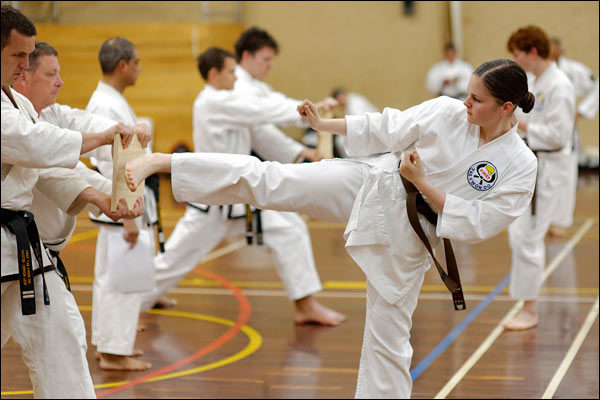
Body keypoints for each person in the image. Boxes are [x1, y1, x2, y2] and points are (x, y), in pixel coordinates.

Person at [123, 59, 538, 398]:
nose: (465, 103)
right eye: (466, 93)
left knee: (389, 335)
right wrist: (324, 127)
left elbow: (481, 223)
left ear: (506, 108)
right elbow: (384, 126)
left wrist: (424, 183)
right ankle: (165, 163)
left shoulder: (519, 164)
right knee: (272, 180)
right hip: (374, 183)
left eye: (476, 99)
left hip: (414, 235)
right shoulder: (448, 112)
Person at [1, 6, 148, 398]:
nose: (24, 64)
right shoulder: (11, 113)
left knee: (62, 336)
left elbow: (59, 146)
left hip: (20, 246)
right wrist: (101, 181)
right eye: (19, 56)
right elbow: (40, 149)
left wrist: (109, 185)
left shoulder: (24, 106)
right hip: (8, 239)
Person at [140, 47, 345, 326]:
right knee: (176, 257)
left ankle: (305, 305)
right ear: (214, 74)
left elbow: (260, 124)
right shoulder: (211, 102)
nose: (236, 77)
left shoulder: (226, 101)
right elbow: (260, 110)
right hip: (214, 201)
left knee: (290, 230)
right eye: (231, 71)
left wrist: (302, 151)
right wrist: (307, 110)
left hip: (239, 197)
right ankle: (139, 300)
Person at [84, 36, 157, 371]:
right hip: (119, 202)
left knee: (110, 277)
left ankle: (108, 346)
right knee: (120, 279)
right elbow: (111, 162)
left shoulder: (110, 100)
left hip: (118, 201)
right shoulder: (106, 105)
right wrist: (128, 216)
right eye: (137, 62)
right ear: (123, 65)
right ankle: (113, 352)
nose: (140, 69)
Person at [505, 26, 576, 330]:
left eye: (518, 55)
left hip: (548, 168)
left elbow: (559, 134)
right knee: (519, 235)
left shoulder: (559, 85)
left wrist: (521, 125)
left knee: (529, 236)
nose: (517, 61)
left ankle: (530, 309)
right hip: (530, 163)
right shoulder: (535, 81)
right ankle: (526, 303)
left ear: (533, 52)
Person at [547, 37, 599, 237]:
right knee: (544, 176)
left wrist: (582, 112)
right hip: (543, 127)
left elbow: (596, 87)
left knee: (566, 174)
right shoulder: (537, 73)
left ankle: (559, 220)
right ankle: (545, 219)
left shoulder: (574, 70)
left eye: (555, 49)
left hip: (566, 128)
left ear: (562, 50)